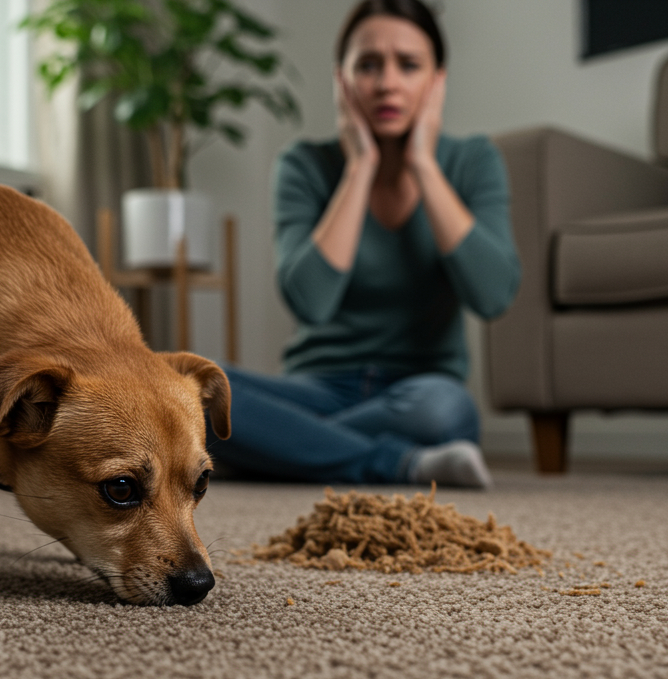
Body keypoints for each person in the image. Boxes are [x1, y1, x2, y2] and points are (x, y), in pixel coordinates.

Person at [210, 0, 520, 487]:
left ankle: (279, 448)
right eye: (368, 65)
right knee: (193, 388)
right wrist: (359, 169)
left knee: (443, 412)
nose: (386, 83)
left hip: (418, 390)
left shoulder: (472, 160)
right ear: (342, 80)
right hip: (315, 386)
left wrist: (423, 165)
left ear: (437, 80)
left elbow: (494, 294)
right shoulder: (304, 165)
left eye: (409, 65)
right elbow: (311, 301)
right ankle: (402, 464)